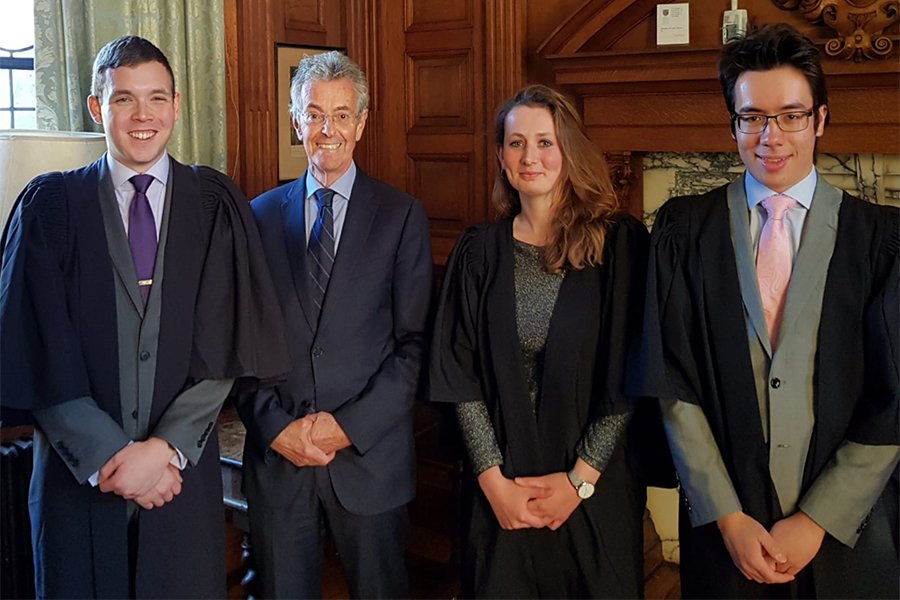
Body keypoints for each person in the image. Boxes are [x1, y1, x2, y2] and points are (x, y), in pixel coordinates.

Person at [0, 35, 289, 598]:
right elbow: (36, 348)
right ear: (95, 107)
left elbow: (228, 342)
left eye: (156, 98)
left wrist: (163, 451)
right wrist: (112, 457)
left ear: (177, 106)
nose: (142, 116)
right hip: (76, 480)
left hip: (179, 478)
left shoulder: (214, 205)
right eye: (124, 99)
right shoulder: (50, 208)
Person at [636, 23, 899, 599]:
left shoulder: (881, 240)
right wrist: (725, 514)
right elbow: (669, 376)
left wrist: (817, 520)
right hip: (726, 526)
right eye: (752, 116)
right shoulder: (685, 230)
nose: (769, 136)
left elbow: (894, 396)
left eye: (791, 115)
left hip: (845, 531)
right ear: (733, 123)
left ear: (820, 119)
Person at [430, 84, 656, 598]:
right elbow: (457, 375)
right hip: (500, 494)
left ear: (569, 150)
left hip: (593, 493)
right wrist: (493, 482)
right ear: (500, 156)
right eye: (515, 144)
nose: (530, 157)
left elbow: (629, 376)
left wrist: (578, 482)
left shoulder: (617, 246)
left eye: (545, 142)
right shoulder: (478, 252)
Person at [237, 50, 432, 599]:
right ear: (296, 121)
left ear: (361, 123)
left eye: (342, 115)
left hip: (369, 464)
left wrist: (348, 427)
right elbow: (241, 343)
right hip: (280, 465)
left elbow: (413, 346)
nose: (328, 129)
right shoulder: (257, 216)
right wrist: (277, 428)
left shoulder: (400, 215)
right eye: (315, 113)